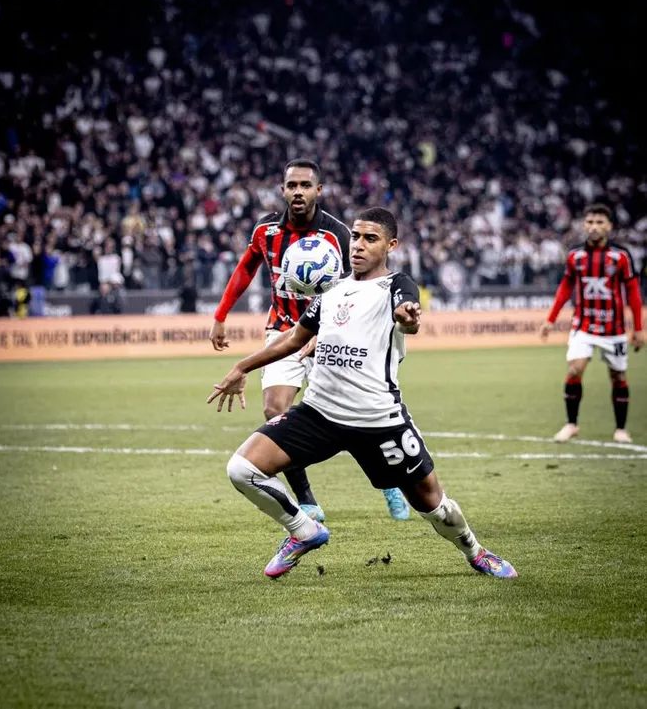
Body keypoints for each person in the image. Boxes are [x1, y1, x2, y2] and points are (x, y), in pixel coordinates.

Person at [207, 207, 517, 580]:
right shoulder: (331, 291)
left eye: (371, 238)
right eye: (355, 236)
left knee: (433, 504)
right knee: (242, 469)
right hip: (319, 414)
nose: (358, 245)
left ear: (391, 245)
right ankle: (304, 531)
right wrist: (242, 367)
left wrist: (408, 316)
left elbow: (408, 311)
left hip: (378, 420)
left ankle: (476, 552)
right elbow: (292, 339)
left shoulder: (397, 286)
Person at [210, 159, 410, 521]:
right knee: (274, 410)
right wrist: (221, 315)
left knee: (351, 412)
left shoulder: (338, 234)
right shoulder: (266, 230)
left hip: (332, 332)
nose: (298, 191)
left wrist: (328, 332)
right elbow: (245, 269)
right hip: (282, 329)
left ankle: (388, 483)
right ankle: (306, 500)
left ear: (319, 190)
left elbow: (358, 285)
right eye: (292, 185)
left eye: (305, 185)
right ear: (282, 191)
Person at [539, 203, 644, 443]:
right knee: (574, 369)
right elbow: (565, 288)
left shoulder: (620, 256)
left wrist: (638, 328)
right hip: (583, 325)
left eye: (599, 222)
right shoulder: (575, 256)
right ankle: (571, 424)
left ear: (609, 226)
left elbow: (633, 292)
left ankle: (620, 429)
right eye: (589, 222)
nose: (593, 227)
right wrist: (550, 319)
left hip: (614, 329)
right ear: (584, 225)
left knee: (618, 376)